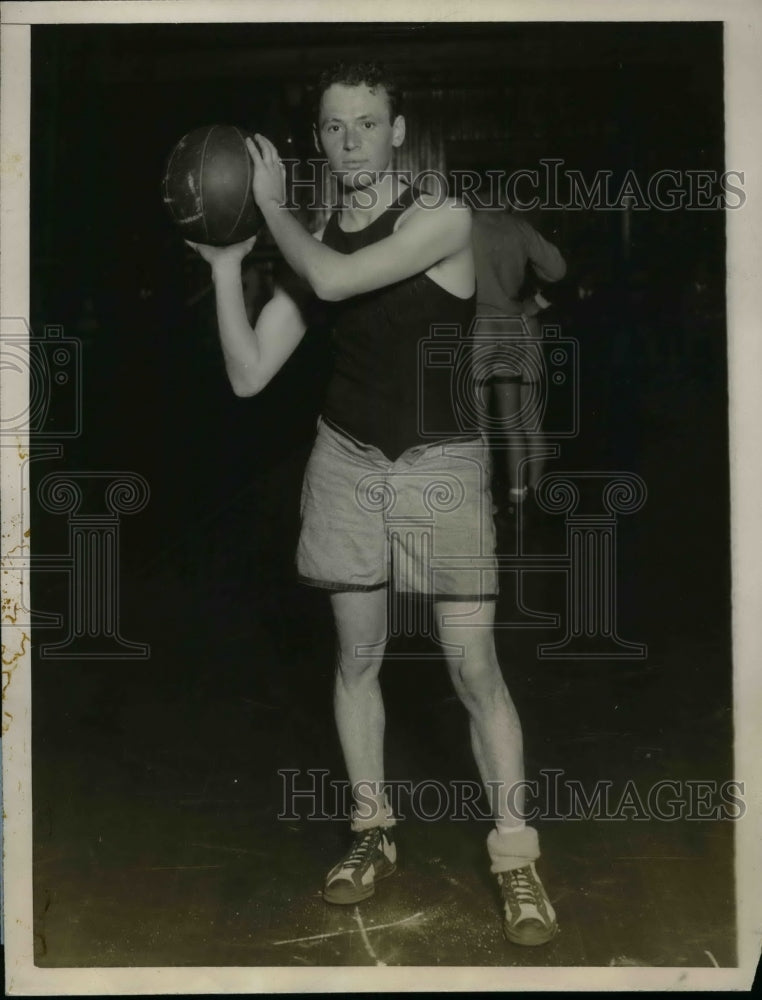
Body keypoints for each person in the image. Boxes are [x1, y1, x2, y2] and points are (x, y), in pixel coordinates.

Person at [187, 62, 558, 947]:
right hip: (347, 462)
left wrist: (268, 208)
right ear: (317, 138)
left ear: (397, 133)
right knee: (358, 660)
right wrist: (228, 267)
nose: (348, 142)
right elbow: (248, 375)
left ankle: (516, 857)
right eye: (332, 126)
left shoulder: (444, 218)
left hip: (442, 466)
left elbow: (336, 281)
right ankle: (372, 830)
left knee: (473, 670)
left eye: (365, 124)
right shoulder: (318, 232)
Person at [470, 207, 566, 519]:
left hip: (478, 330)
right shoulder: (518, 227)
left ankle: (483, 501)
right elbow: (559, 270)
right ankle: (521, 497)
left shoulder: (463, 224)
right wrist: (534, 302)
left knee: (479, 427)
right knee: (517, 422)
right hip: (514, 327)